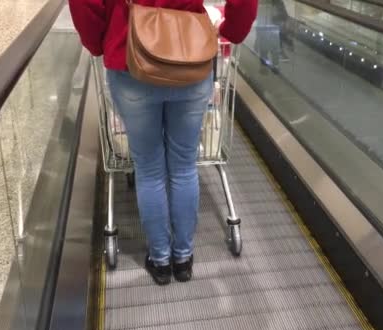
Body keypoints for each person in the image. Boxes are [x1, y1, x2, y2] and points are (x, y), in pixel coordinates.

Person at [69, 0, 257, 285]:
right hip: (191, 57)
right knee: (184, 167)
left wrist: (100, 43)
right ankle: (183, 259)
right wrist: (232, 29)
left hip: (131, 60)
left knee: (149, 169)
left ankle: (160, 261)